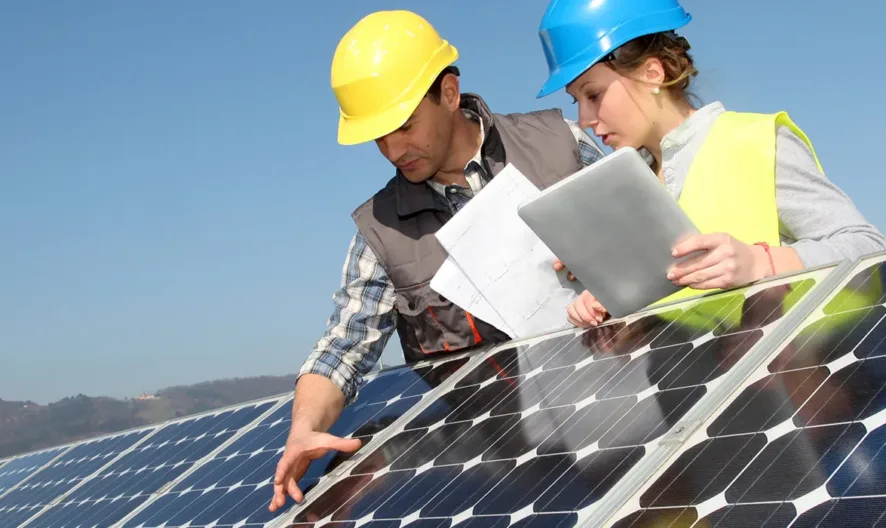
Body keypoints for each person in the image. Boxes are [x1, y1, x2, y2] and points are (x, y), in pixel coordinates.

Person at [268, 9, 605, 512]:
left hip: (630, 415)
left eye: (403, 126)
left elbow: (646, 251)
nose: (392, 150)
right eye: (378, 137)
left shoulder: (561, 147)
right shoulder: (381, 231)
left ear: (449, 93)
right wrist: (303, 428)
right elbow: (344, 346)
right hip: (514, 474)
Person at [533, 0, 886, 328]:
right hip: (705, 376)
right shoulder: (619, 192)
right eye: (577, 101)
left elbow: (869, 247)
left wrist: (761, 263)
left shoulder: (753, 140)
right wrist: (612, 304)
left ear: (651, 73)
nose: (584, 120)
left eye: (593, 95)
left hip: (804, 369)